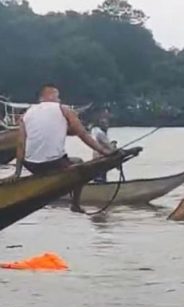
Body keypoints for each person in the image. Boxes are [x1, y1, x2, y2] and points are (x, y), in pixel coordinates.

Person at [14, 84, 114, 213]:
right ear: (48, 95)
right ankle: (75, 204)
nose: (59, 100)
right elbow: (83, 134)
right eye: (58, 96)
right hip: (54, 163)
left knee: (66, 163)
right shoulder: (63, 109)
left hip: (31, 165)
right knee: (79, 164)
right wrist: (104, 152)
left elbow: (21, 144)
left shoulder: (27, 114)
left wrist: (17, 173)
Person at [90, 108, 116, 183]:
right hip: (101, 158)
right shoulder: (100, 133)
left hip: (97, 158)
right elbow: (108, 146)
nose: (106, 124)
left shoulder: (95, 130)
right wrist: (113, 146)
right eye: (104, 123)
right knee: (100, 177)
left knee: (99, 176)